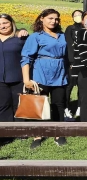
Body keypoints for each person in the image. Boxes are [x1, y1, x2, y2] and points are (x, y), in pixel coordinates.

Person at [21, 9, 68, 148]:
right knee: (38, 105)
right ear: (42, 18)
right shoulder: (36, 36)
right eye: (50, 18)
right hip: (41, 73)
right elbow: (26, 58)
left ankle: (58, 133)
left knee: (59, 104)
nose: (54, 21)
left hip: (60, 73)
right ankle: (38, 135)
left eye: (56, 19)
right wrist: (26, 79)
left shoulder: (62, 36)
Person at [0, 14, 25, 124]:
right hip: (0, 80)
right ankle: (6, 130)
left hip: (18, 78)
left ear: (12, 23)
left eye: (5, 23)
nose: (2, 26)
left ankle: (20, 130)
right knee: (3, 106)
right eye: (0, 24)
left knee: (19, 106)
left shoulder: (20, 38)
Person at [63, 9, 83, 120]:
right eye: (75, 15)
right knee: (69, 86)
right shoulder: (70, 29)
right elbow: (69, 45)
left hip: (84, 63)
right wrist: (71, 61)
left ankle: (80, 107)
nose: (78, 16)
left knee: (82, 86)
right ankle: (66, 108)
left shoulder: (86, 29)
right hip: (73, 63)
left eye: (80, 15)